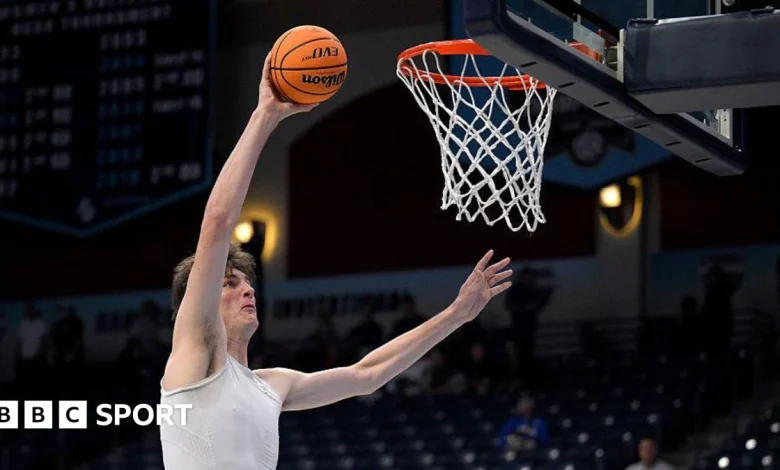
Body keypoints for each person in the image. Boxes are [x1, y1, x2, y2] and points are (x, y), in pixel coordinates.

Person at [157, 51, 514, 470]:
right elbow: (218, 223)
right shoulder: (194, 352)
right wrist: (265, 115)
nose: (247, 288)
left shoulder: (273, 385)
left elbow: (368, 375)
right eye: (228, 283)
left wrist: (455, 315)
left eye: (246, 281)